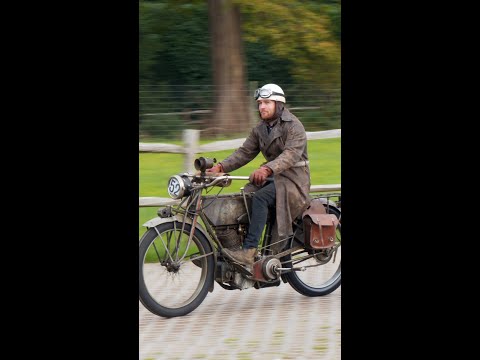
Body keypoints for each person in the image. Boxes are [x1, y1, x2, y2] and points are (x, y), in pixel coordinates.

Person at [206, 83, 311, 268]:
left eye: (267, 102)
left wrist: (266, 169)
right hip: (274, 178)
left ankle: (249, 251)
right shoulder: (260, 128)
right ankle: (238, 243)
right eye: (260, 103)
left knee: (260, 197)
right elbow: (244, 152)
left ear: (279, 104)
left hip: (294, 180)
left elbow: (290, 156)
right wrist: (220, 167)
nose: (262, 106)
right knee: (244, 196)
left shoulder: (294, 126)